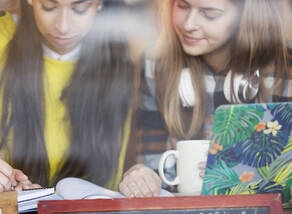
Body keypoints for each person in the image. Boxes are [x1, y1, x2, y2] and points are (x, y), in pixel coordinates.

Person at [0, 0, 137, 193]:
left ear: (99, 3)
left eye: (79, 8)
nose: (63, 26)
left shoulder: (121, 53)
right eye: (49, 7)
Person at [119, 0, 292, 197]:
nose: (188, 24)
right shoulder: (154, 63)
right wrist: (142, 176)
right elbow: (153, 160)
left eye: (209, 14)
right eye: (182, 6)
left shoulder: (286, 69)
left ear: (246, 17)